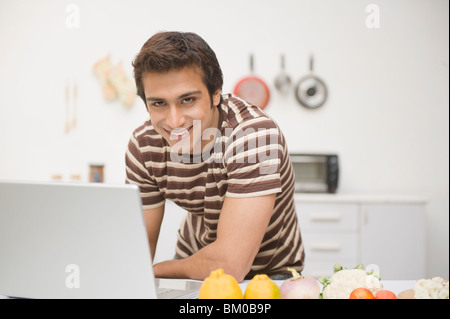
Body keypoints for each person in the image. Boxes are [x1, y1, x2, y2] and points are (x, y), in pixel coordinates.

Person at [125, 31, 304, 282]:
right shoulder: (144, 146)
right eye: (159, 104)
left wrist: (154, 272)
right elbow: (134, 255)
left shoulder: (253, 136)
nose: (174, 121)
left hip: (270, 274)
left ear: (216, 94)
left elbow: (230, 265)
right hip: (193, 268)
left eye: (188, 100)